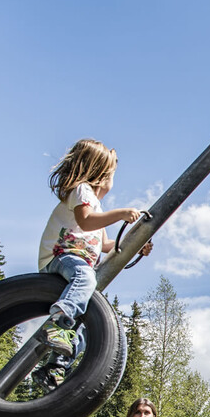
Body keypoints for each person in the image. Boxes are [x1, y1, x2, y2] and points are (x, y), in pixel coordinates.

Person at [34, 138, 149, 389]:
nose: (112, 180)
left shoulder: (96, 204)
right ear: (98, 173)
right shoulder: (82, 190)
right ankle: (58, 323)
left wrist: (136, 247)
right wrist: (120, 214)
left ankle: (55, 366)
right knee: (87, 278)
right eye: (111, 173)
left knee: (86, 326)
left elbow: (105, 245)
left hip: (76, 265)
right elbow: (86, 222)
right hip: (60, 258)